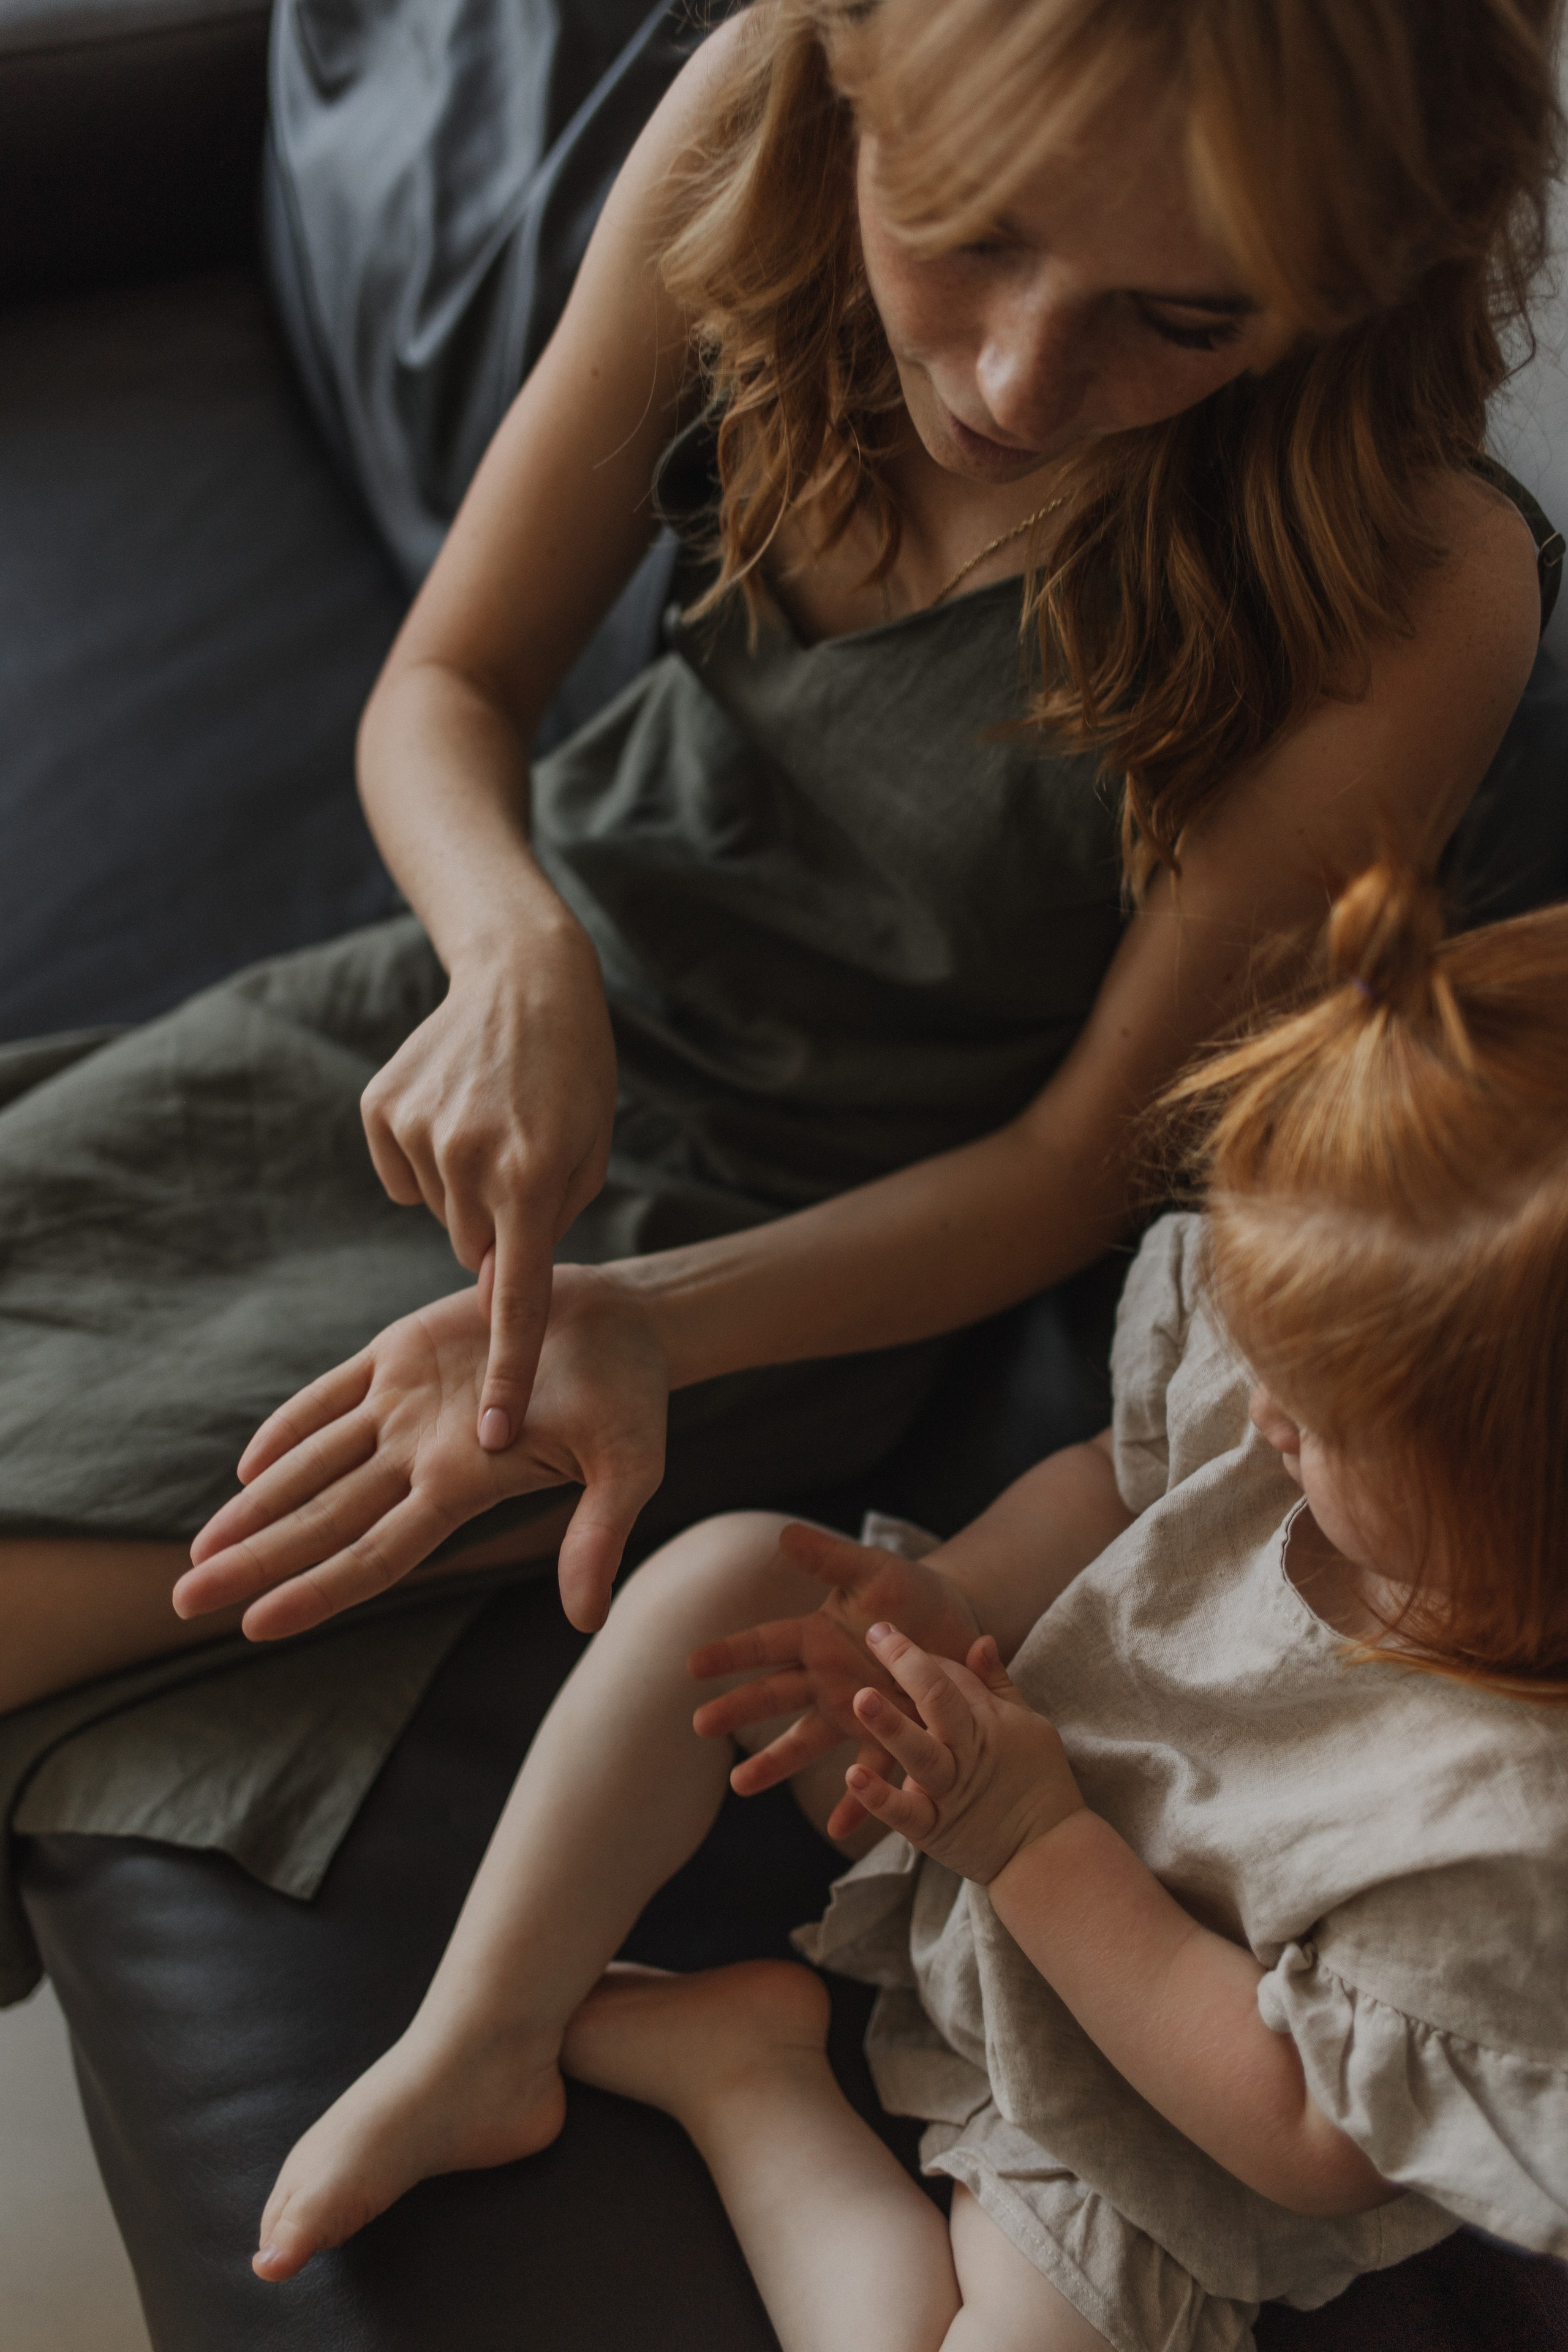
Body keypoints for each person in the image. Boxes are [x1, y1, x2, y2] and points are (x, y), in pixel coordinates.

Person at [0, 0, 1555, 1901]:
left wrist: (647, 1321)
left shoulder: (1415, 579)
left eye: (1186, 319)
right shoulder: (764, 104)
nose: (1015, 378)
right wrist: (509, 958)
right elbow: (450, 683)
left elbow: (1078, 1167)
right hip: (480, 998)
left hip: (780, 1250)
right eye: (971, 233)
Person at [251, 865, 1568, 2352]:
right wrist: (955, 1595)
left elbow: (1299, 2137)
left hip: (1141, 2119)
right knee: (735, 1577)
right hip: (981, 1747)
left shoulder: (1510, 1834)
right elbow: (1114, 1478)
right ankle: (473, 2044)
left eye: (1315, 1420)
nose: (1259, 1416)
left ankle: (747, 2083)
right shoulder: (1319, 1385)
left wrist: (1033, 1843)